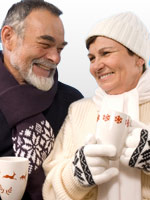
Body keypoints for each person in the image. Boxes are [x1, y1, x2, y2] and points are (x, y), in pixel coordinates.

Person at [42, 11, 150, 200]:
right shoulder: (79, 110)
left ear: (139, 57)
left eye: (106, 53)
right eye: (92, 58)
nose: (96, 66)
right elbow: (50, 188)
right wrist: (75, 178)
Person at [0, 0, 83, 199]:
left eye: (60, 49)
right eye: (45, 45)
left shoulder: (72, 103)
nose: (55, 58)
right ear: (8, 37)